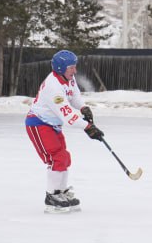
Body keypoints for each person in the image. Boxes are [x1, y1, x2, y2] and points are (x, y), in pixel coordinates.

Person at [26, 49, 103, 212]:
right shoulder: (53, 88)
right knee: (56, 157)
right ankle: (51, 196)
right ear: (61, 68)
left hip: (53, 125)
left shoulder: (68, 78)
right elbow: (67, 116)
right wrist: (88, 127)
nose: (74, 71)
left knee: (64, 157)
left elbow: (74, 96)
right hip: (39, 125)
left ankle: (61, 191)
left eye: (75, 67)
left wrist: (83, 107)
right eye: (71, 68)